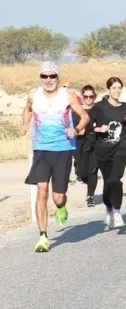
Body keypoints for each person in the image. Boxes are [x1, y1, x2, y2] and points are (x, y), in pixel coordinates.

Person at [22, 62, 88, 253]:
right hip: (41, 149)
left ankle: (61, 207)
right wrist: (25, 123)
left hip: (63, 149)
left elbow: (84, 116)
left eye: (52, 76)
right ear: (40, 77)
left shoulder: (66, 96)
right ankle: (43, 236)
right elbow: (27, 109)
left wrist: (75, 130)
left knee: (58, 198)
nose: (48, 80)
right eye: (44, 76)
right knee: (42, 190)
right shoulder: (33, 95)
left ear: (58, 78)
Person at [90, 77, 126, 229]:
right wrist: (97, 129)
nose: (117, 91)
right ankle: (109, 208)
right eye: (114, 88)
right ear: (108, 89)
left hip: (121, 148)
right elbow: (88, 125)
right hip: (103, 149)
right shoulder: (99, 107)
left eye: (119, 88)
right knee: (108, 181)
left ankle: (117, 212)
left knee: (114, 179)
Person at [76, 85, 99, 207]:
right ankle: (88, 182)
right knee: (83, 173)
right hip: (80, 144)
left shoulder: (99, 109)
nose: (89, 99)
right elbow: (72, 126)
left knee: (93, 170)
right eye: (86, 96)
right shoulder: (77, 110)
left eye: (91, 96)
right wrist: (78, 130)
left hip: (96, 144)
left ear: (95, 96)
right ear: (82, 96)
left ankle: (90, 196)